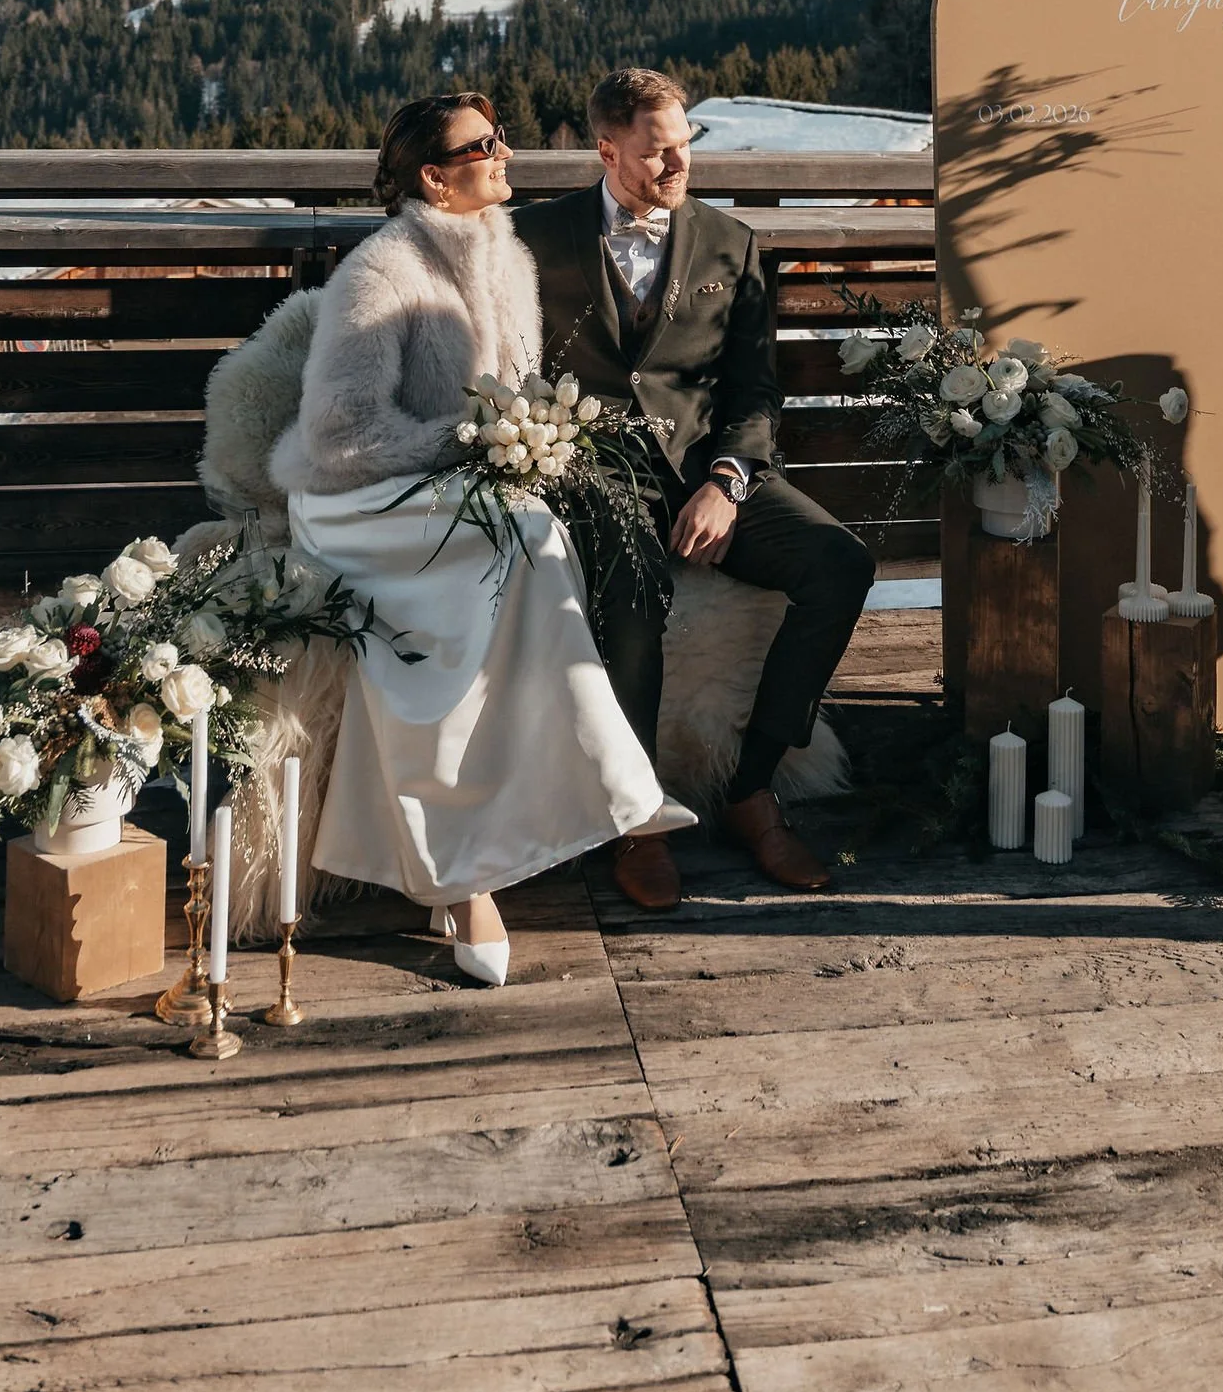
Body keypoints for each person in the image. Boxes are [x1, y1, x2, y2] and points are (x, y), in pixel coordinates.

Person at [270, 89, 691, 984]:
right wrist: (476, 442)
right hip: (363, 505)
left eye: (501, 138)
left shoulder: (509, 256)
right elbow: (339, 439)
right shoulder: (380, 274)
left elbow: (519, 390)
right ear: (435, 175)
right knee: (517, 545)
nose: (507, 154)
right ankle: (464, 876)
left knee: (529, 535)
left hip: (469, 489)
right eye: (485, 145)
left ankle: (588, 797)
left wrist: (520, 441)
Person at [515, 66, 876, 909]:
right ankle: (638, 823)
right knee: (637, 595)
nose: (677, 167)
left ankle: (752, 790)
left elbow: (755, 392)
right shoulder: (533, 240)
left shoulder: (731, 243)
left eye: (685, 147)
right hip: (595, 474)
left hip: (709, 471)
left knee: (839, 564)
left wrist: (727, 480)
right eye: (654, 154)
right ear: (607, 151)